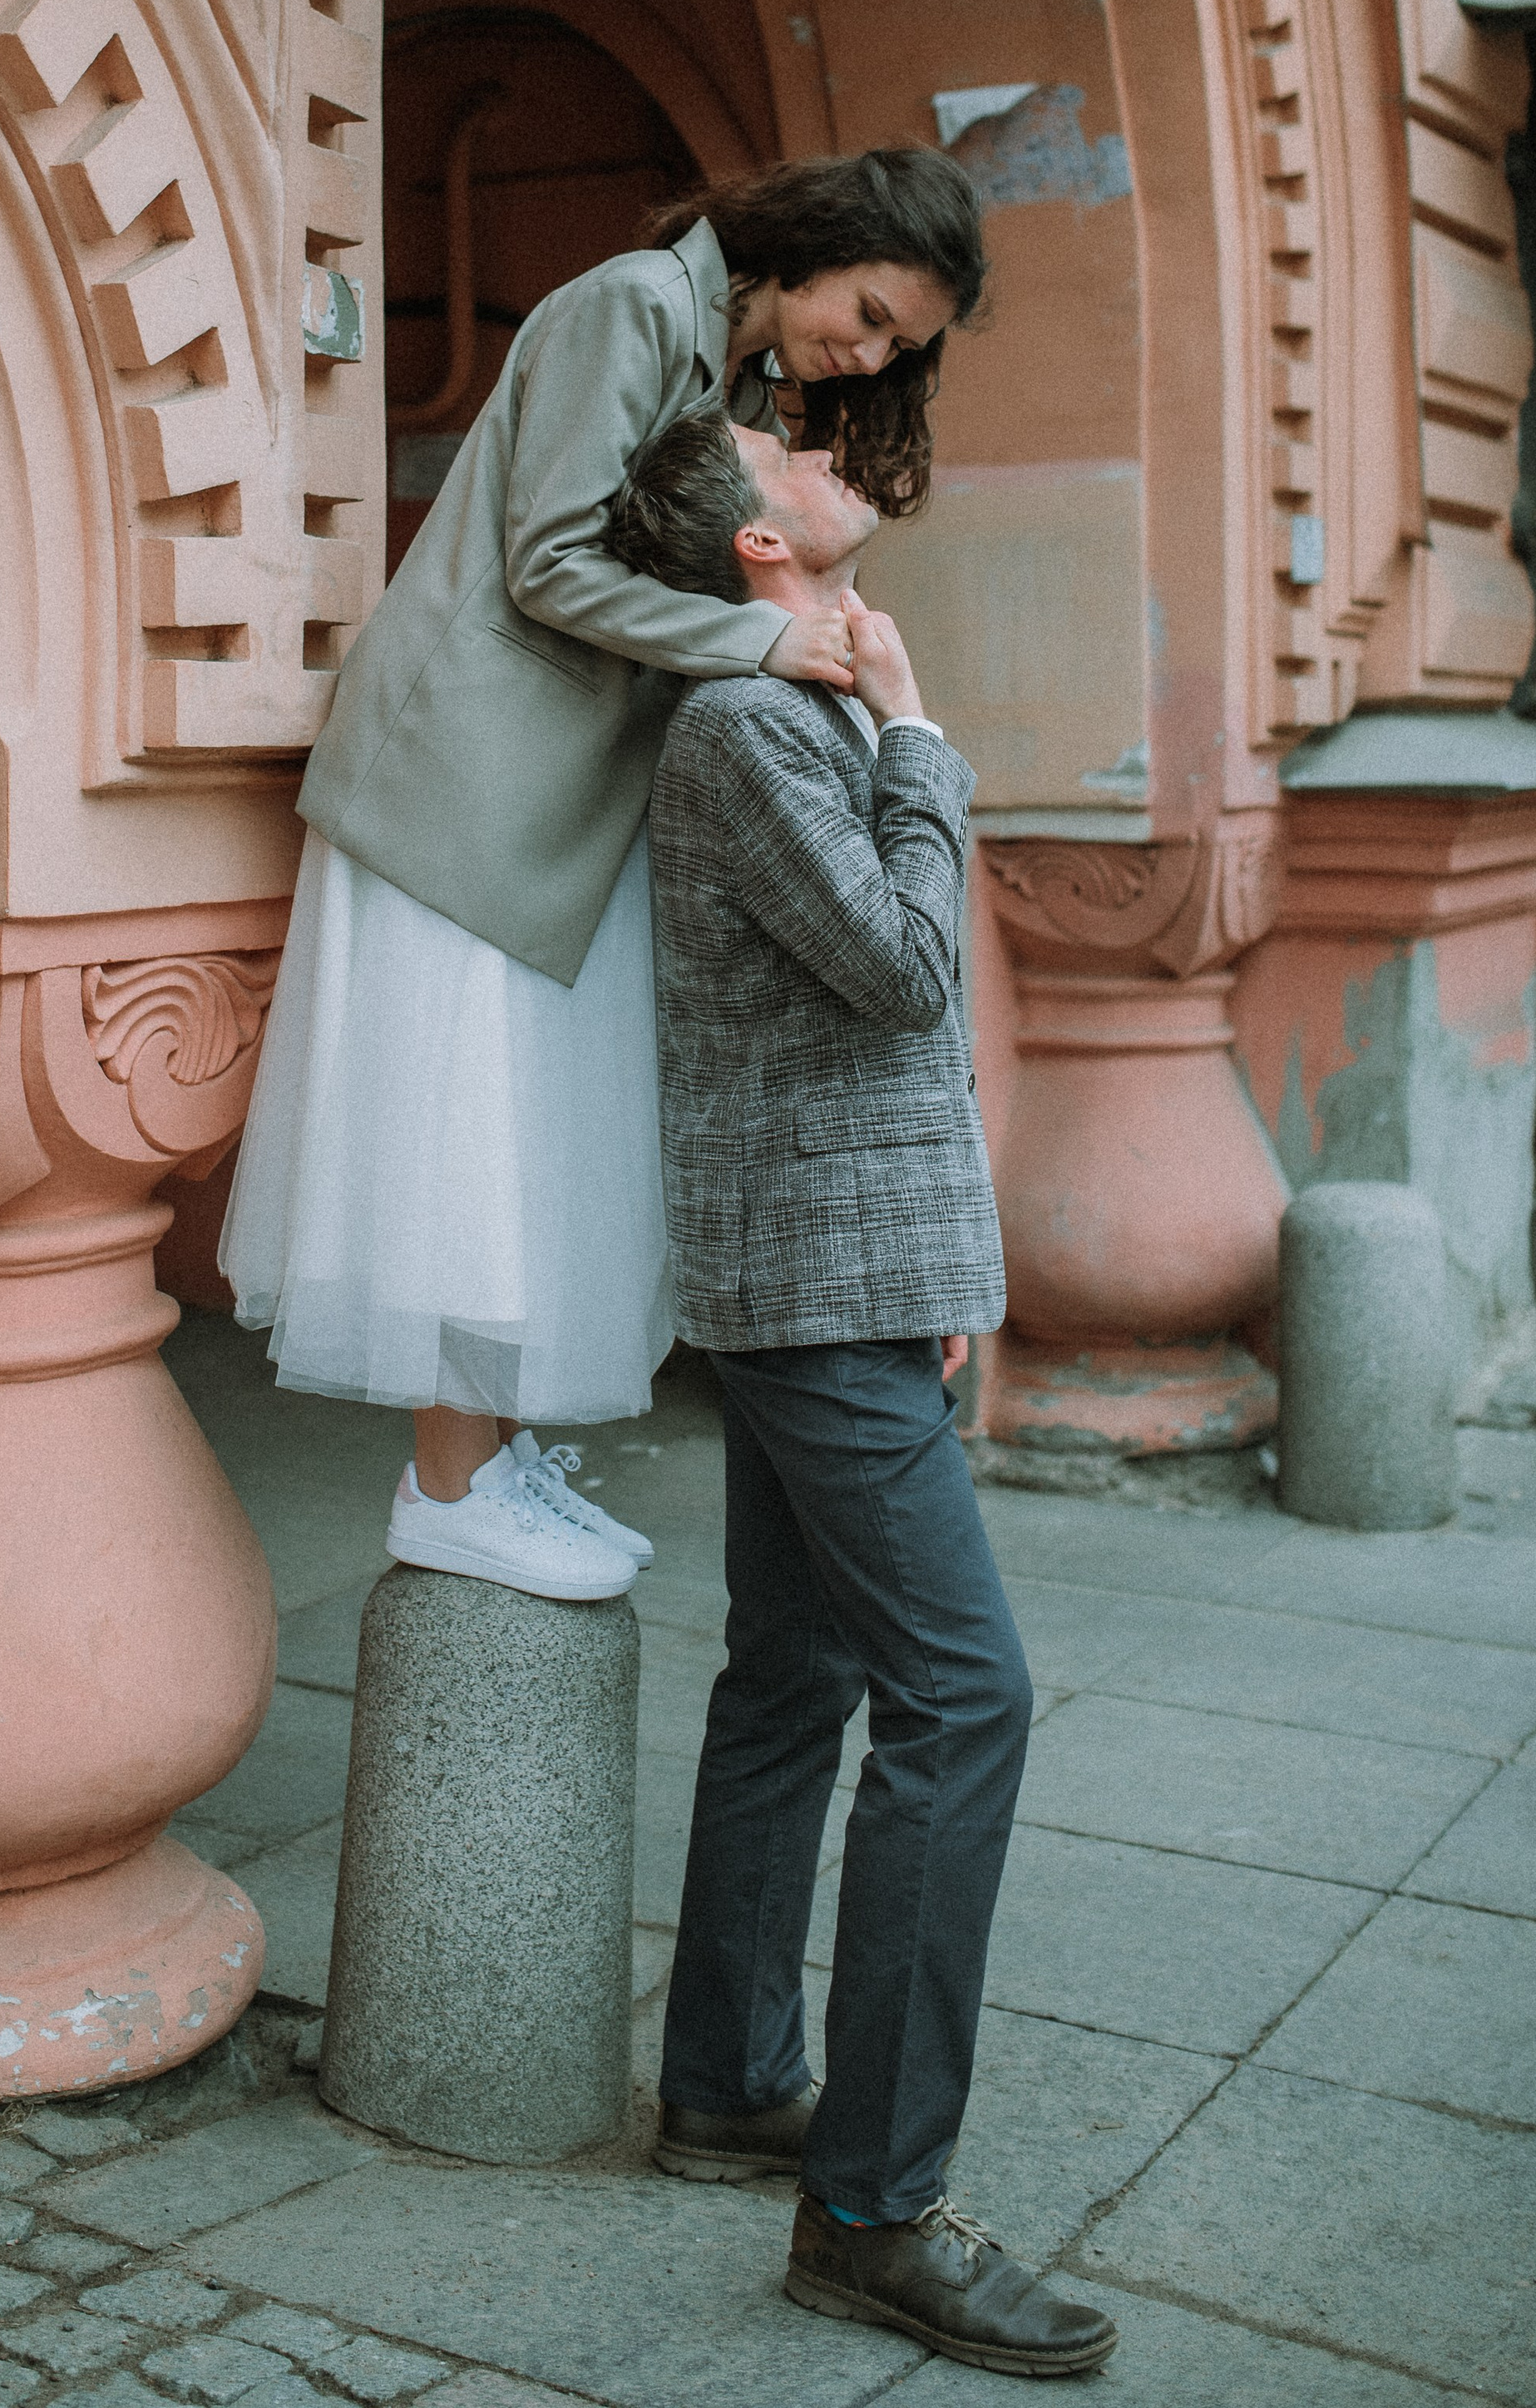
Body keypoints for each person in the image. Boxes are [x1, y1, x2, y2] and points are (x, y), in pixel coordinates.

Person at [220, 150, 986, 1601]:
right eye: (874, 313)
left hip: (550, 799)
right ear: (818, 247)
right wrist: (771, 642)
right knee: (461, 1136)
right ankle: (450, 1484)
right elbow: (550, 563)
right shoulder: (633, 306)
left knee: (505, 1136)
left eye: (900, 346)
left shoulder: (738, 381)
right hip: (467, 778)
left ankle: (488, 1465)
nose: (872, 354)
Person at [606, 405, 1119, 2380]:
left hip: (844, 1274)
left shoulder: (781, 717)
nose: (824, 450)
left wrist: (943, 1274)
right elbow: (906, 972)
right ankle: (869, 2209)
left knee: (795, 1674)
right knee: (962, 1693)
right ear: (751, 541)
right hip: (805, 1287)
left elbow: (873, 1030)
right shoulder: (749, 732)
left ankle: (732, 2083)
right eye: (784, 445)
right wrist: (915, 734)